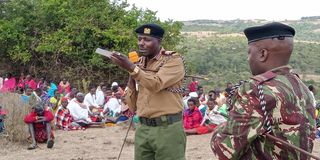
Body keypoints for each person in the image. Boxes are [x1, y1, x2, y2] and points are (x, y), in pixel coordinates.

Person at [211, 22, 316, 159]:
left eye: (249, 53)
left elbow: (224, 149)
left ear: (262, 54)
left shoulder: (255, 89)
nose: (248, 58)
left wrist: (220, 129)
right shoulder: (302, 87)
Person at [110, 23, 186, 160]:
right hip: (143, 127)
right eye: (139, 39)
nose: (141, 43)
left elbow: (156, 84)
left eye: (147, 40)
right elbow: (133, 107)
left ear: (159, 41)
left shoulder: (173, 60)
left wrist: (132, 68)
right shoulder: (139, 63)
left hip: (167, 128)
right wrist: (132, 75)